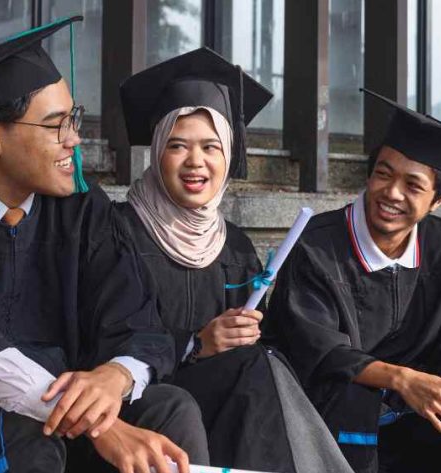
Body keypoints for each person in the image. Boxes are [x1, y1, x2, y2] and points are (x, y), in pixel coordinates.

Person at [0, 16, 207, 473]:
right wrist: (99, 425)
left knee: (167, 410)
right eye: (56, 125)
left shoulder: (84, 212)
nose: (75, 140)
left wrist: (114, 377)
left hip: (58, 424)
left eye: (74, 119)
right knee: (18, 435)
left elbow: (139, 322)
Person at [264, 88, 441, 473]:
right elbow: (319, 350)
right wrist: (402, 381)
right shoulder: (317, 246)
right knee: (353, 398)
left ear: (438, 200)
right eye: (383, 173)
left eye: (413, 186)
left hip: (417, 406)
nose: (391, 193)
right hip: (334, 410)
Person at [116, 47, 353, 473]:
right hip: (138, 405)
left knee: (266, 363)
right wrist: (196, 345)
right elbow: (101, 337)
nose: (196, 162)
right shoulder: (116, 231)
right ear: (156, 151)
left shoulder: (235, 246)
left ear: (228, 155)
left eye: (211, 146)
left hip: (223, 408)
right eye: (178, 145)